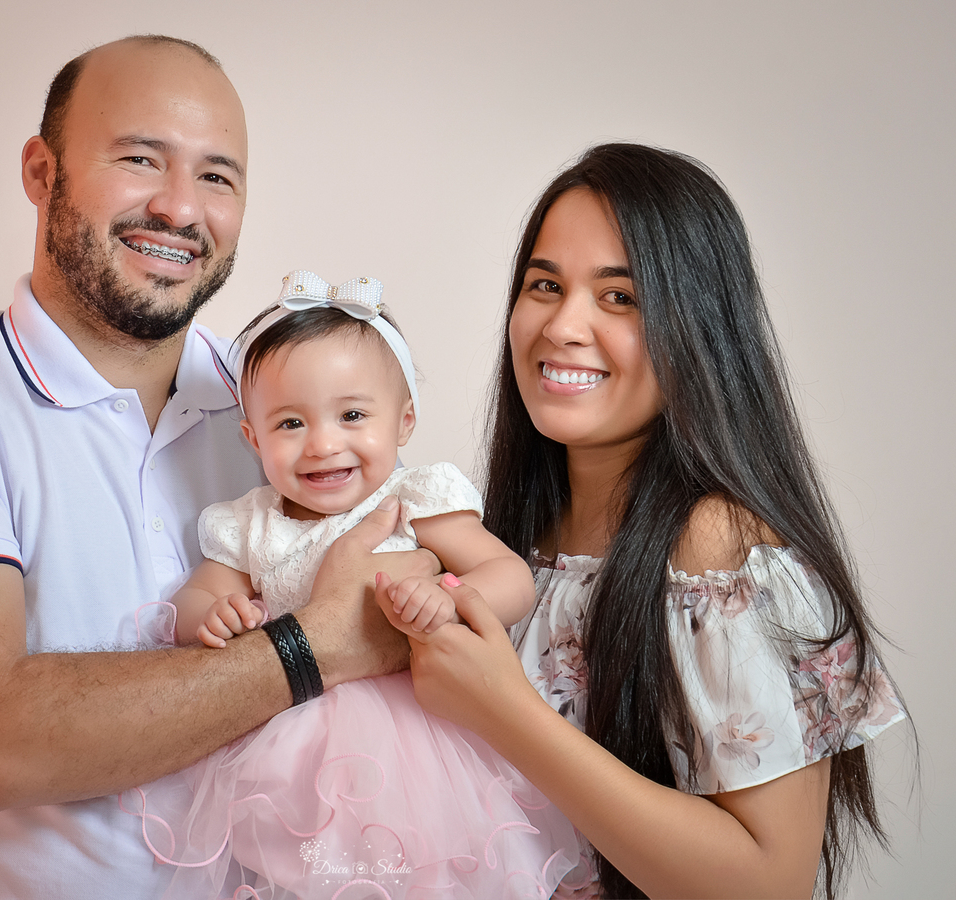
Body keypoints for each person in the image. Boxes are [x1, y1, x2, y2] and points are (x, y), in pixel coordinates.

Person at [0, 36, 433, 899]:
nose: (180, 209)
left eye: (217, 176)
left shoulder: (287, 416)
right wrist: (315, 645)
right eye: (141, 158)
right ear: (41, 170)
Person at [376, 143, 908, 899]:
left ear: (697, 327)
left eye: (619, 297)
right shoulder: (510, 541)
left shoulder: (714, 548)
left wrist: (505, 711)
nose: (563, 325)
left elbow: (769, 882)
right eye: (544, 285)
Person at [126, 270, 578, 898]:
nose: (323, 444)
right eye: (289, 424)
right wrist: (212, 614)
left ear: (405, 421)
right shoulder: (251, 523)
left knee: (431, 872)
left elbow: (510, 578)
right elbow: (192, 598)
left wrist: (445, 600)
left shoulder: (415, 499)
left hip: (420, 742)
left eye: (353, 414)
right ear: (252, 437)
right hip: (289, 746)